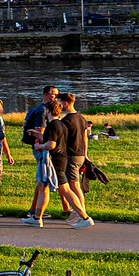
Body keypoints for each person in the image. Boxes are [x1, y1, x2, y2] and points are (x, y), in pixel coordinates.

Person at [37, 92, 93, 228]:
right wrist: (85, 154)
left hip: (70, 155)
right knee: (69, 186)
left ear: (65, 104)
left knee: (71, 187)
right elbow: (85, 137)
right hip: (79, 154)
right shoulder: (81, 117)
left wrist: (40, 144)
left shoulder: (65, 120)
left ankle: (82, 215)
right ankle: (78, 214)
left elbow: (56, 141)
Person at [22, 86, 60, 225]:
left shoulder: (43, 109)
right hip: (43, 149)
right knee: (44, 180)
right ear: (45, 95)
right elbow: (41, 131)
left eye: (56, 94)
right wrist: (40, 147)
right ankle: (36, 211)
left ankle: (35, 210)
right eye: (52, 94)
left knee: (42, 181)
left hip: (43, 147)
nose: (54, 97)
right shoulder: (42, 111)